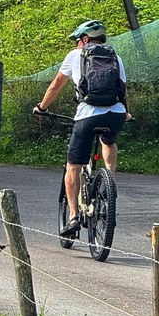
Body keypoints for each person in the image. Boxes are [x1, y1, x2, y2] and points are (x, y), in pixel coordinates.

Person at [33, 20, 129, 237]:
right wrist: (126, 112)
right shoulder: (116, 58)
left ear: (85, 39)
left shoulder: (75, 56)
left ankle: (73, 217)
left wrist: (42, 107)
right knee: (108, 141)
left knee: (73, 167)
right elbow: (122, 89)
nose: (77, 45)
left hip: (87, 115)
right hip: (116, 114)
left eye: (78, 41)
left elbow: (56, 84)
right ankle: (109, 183)